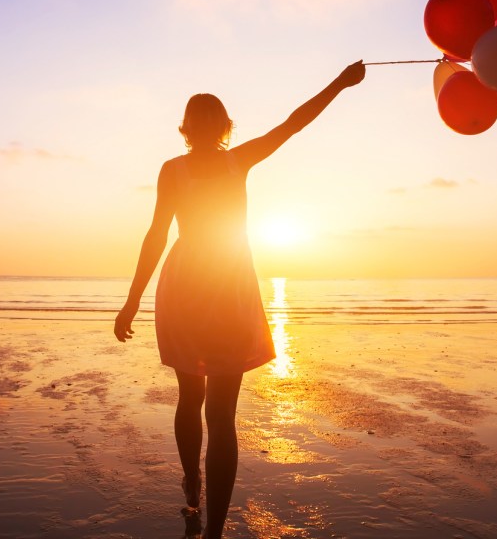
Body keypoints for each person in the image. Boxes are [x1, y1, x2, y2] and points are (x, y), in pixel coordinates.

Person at [114, 60, 365, 538]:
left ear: (203, 128)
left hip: (207, 287)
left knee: (206, 405)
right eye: (204, 123)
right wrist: (131, 301)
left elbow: (293, 124)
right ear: (203, 129)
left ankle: (203, 505)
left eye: (208, 123)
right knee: (207, 407)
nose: (206, 130)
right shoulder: (202, 166)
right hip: (209, 287)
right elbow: (155, 235)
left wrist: (339, 83)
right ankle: (205, 508)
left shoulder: (207, 164)